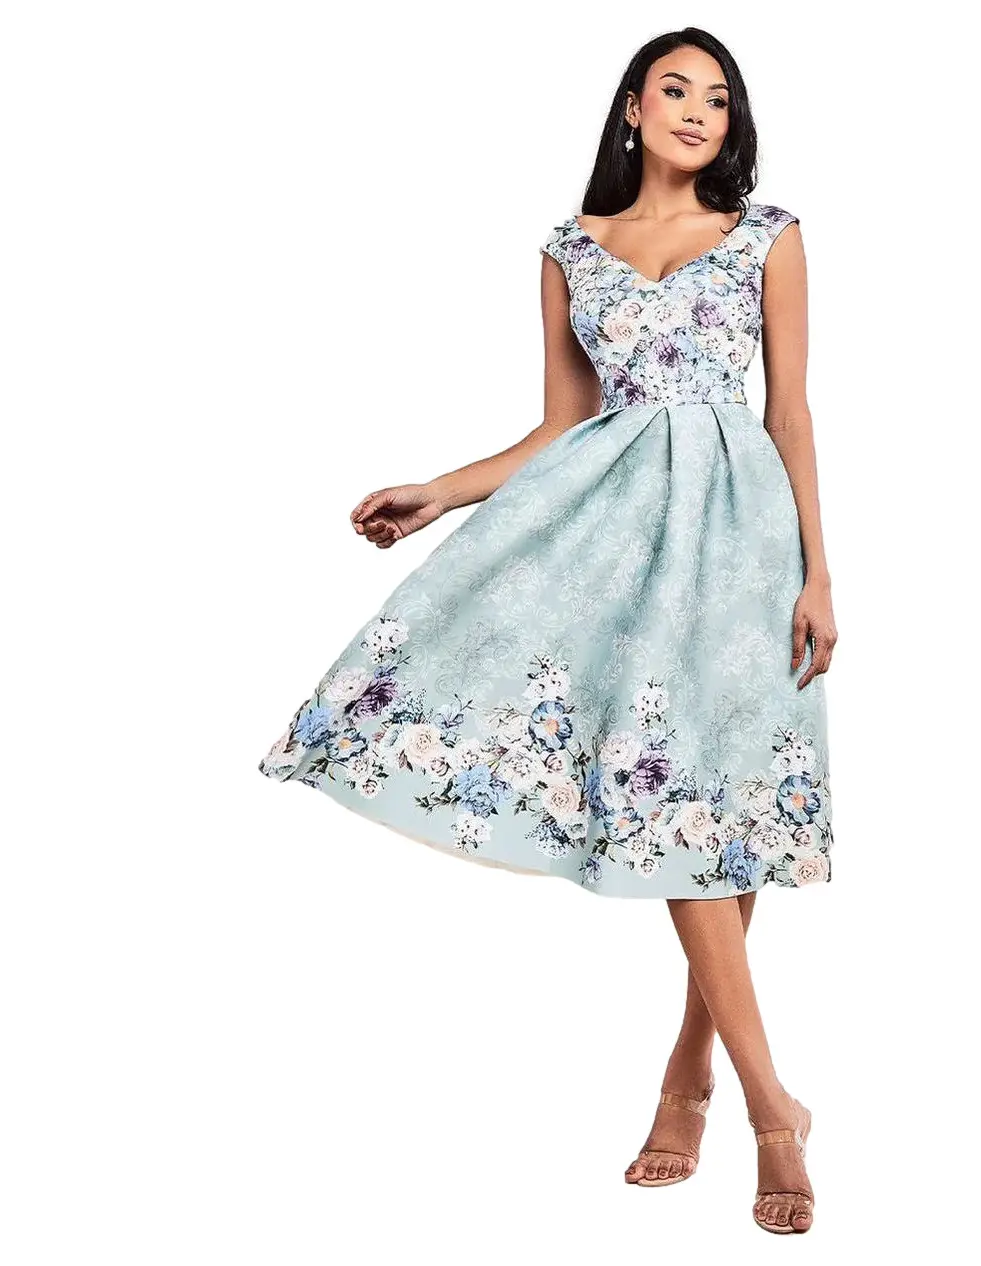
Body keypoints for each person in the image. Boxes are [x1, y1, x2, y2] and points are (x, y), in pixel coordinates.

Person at [259, 25, 836, 1236]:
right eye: (675, 89)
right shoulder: (573, 250)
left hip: (743, 539)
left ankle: (690, 1081)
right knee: (670, 795)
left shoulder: (769, 236)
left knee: (723, 802)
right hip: (614, 545)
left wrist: (819, 573)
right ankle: (772, 1109)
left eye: (718, 98)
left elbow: (790, 412)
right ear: (633, 106)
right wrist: (440, 492)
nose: (698, 111)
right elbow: (560, 429)